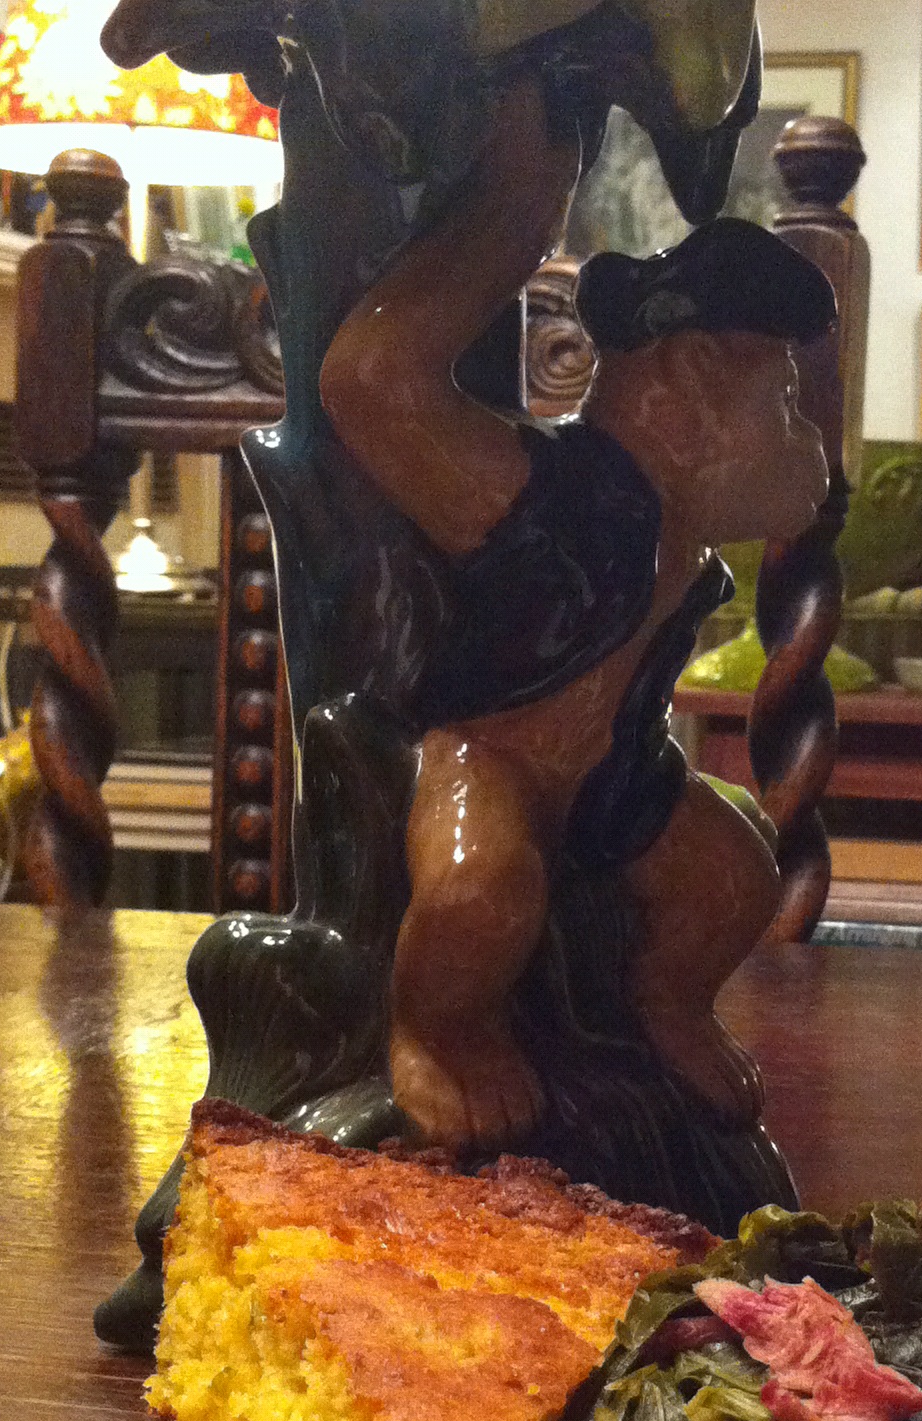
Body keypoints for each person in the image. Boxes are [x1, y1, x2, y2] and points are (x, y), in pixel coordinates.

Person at [320, 79, 833, 1154]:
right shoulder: (542, 494)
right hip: (492, 758)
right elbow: (372, 380)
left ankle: (666, 1006)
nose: (806, 442)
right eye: (782, 404)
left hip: (616, 773)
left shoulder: (682, 539)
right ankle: (436, 1032)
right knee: (479, 891)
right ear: (687, 388)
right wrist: (517, 205)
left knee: (733, 875)